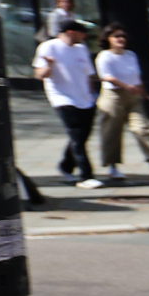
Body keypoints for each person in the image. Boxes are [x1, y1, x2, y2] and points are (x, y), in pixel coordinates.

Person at [92, 25, 149, 184]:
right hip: (113, 96)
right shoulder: (104, 56)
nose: (121, 39)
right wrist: (126, 86)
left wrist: (146, 97)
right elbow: (107, 77)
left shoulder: (131, 55)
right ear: (108, 39)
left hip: (134, 96)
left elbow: (138, 78)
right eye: (116, 36)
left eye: (123, 36)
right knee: (111, 132)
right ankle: (113, 167)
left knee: (141, 128)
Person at [32, 19, 96, 183]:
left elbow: (88, 74)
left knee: (81, 137)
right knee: (76, 134)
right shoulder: (49, 47)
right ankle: (86, 175)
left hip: (85, 99)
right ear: (70, 32)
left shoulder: (81, 49)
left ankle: (66, 166)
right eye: (82, 32)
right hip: (62, 98)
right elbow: (39, 74)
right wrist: (49, 65)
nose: (85, 36)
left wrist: (91, 95)